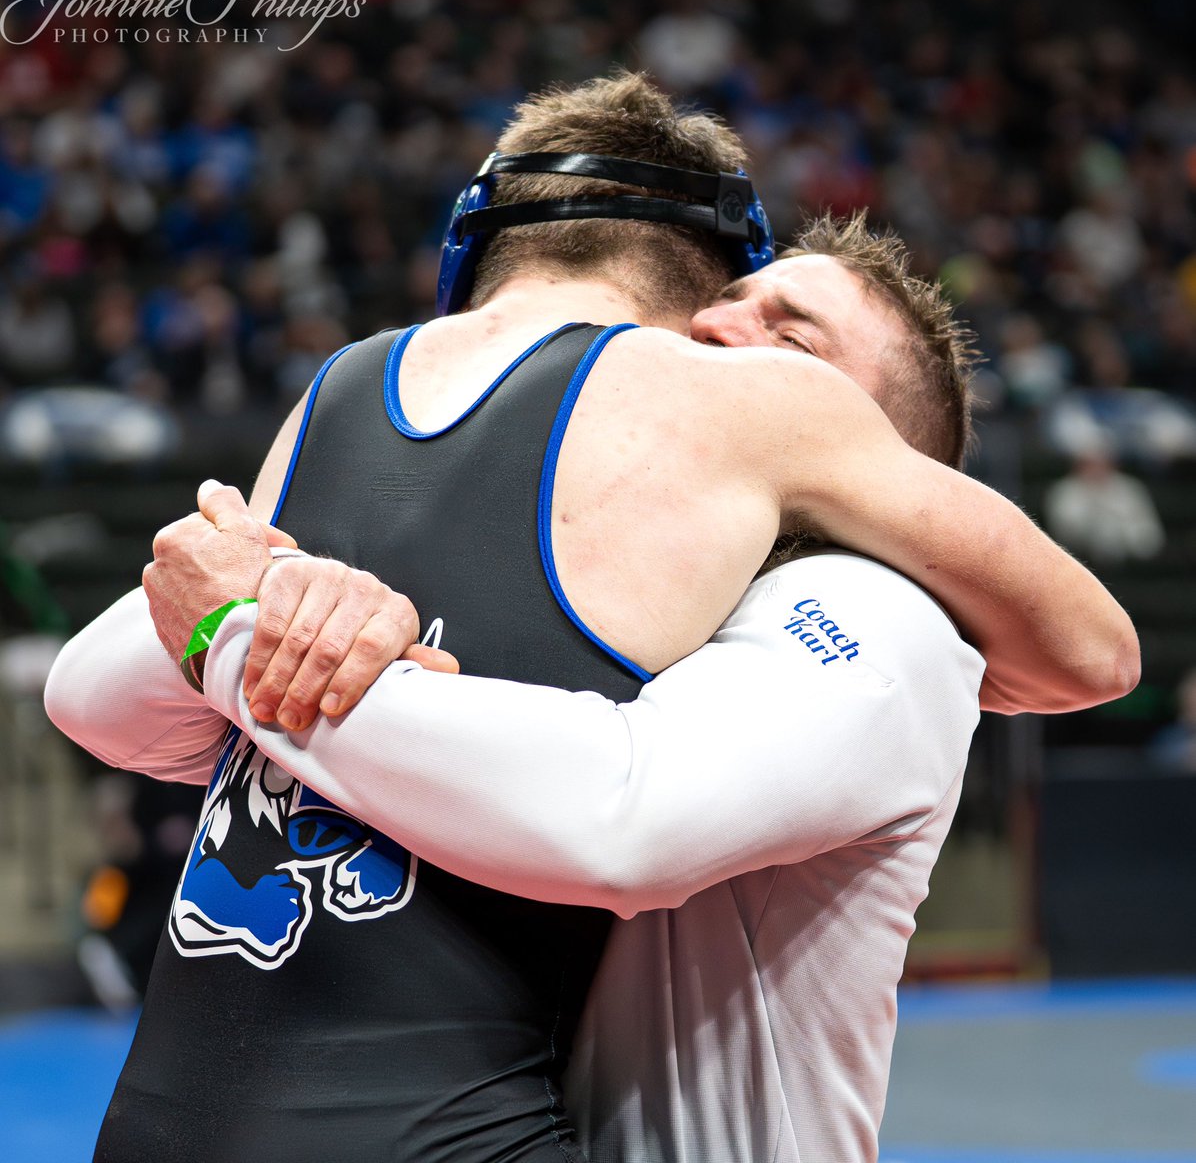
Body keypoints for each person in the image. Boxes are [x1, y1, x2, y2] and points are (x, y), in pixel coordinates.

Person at [47, 74, 1137, 1163]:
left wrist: (250, 637)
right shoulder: (659, 554)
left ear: (877, 464)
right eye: (734, 297)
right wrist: (278, 599)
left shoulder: (881, 619)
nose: (710, 330)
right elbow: (101, 689)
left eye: (791, 340)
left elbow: (621, 819)